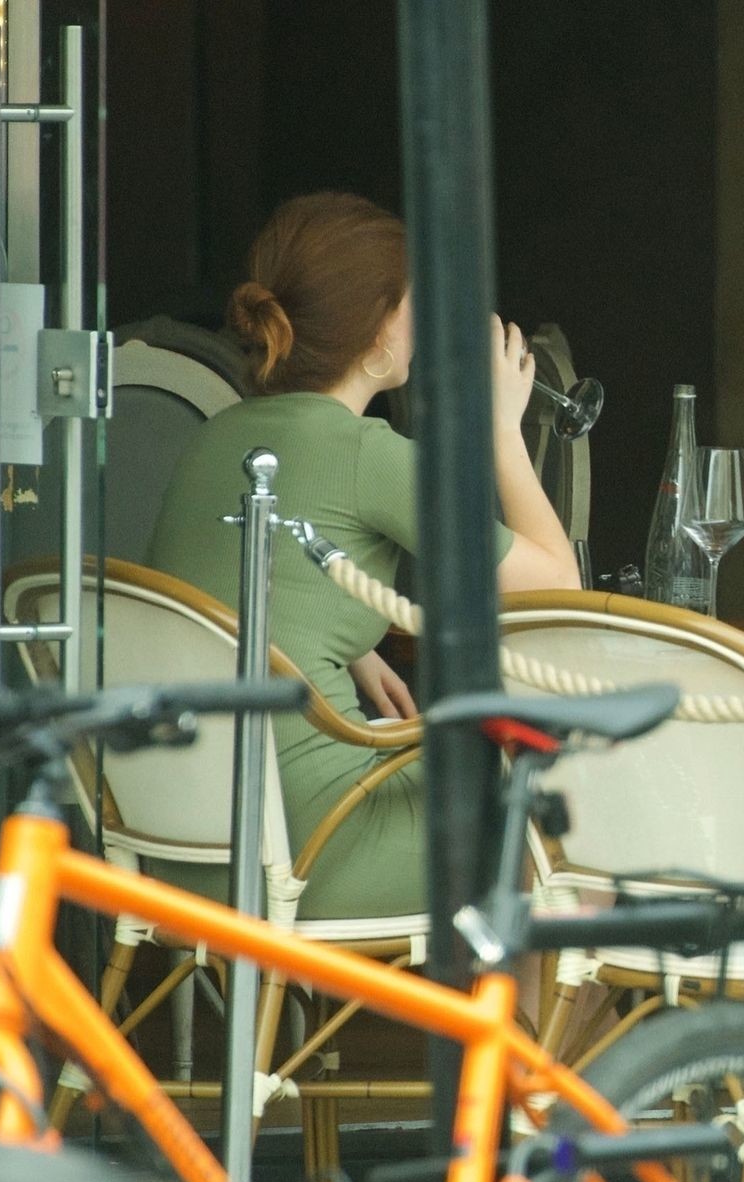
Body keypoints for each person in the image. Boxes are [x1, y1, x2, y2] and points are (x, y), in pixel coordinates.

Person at [146, 191, 579, 920]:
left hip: (182, 848)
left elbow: (236, 583)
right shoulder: (364, 453)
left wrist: (350, 648)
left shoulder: (216, 435)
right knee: (571, 817)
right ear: (379, 328)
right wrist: (501, 427)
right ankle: (529, 1005)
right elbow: (557, 584)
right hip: (315, 851)